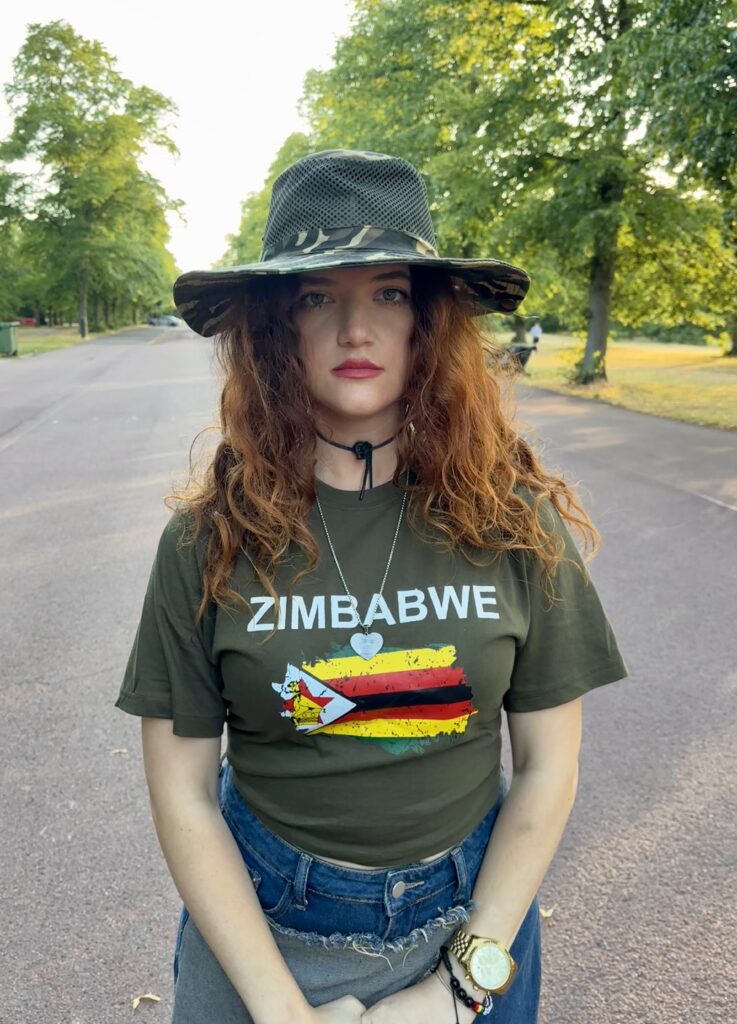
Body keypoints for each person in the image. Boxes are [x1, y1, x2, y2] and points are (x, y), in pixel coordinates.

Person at [116, 149, 628, 1024]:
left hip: (472, 921)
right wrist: (282, 1012)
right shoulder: (206, 541)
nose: (356, 330)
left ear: (427, 322)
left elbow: (549, 768)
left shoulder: (513, 523)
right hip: (259, 931)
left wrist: (457, 992)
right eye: (318, 298)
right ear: (276, 328)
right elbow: (183, 794)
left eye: (388, 293)